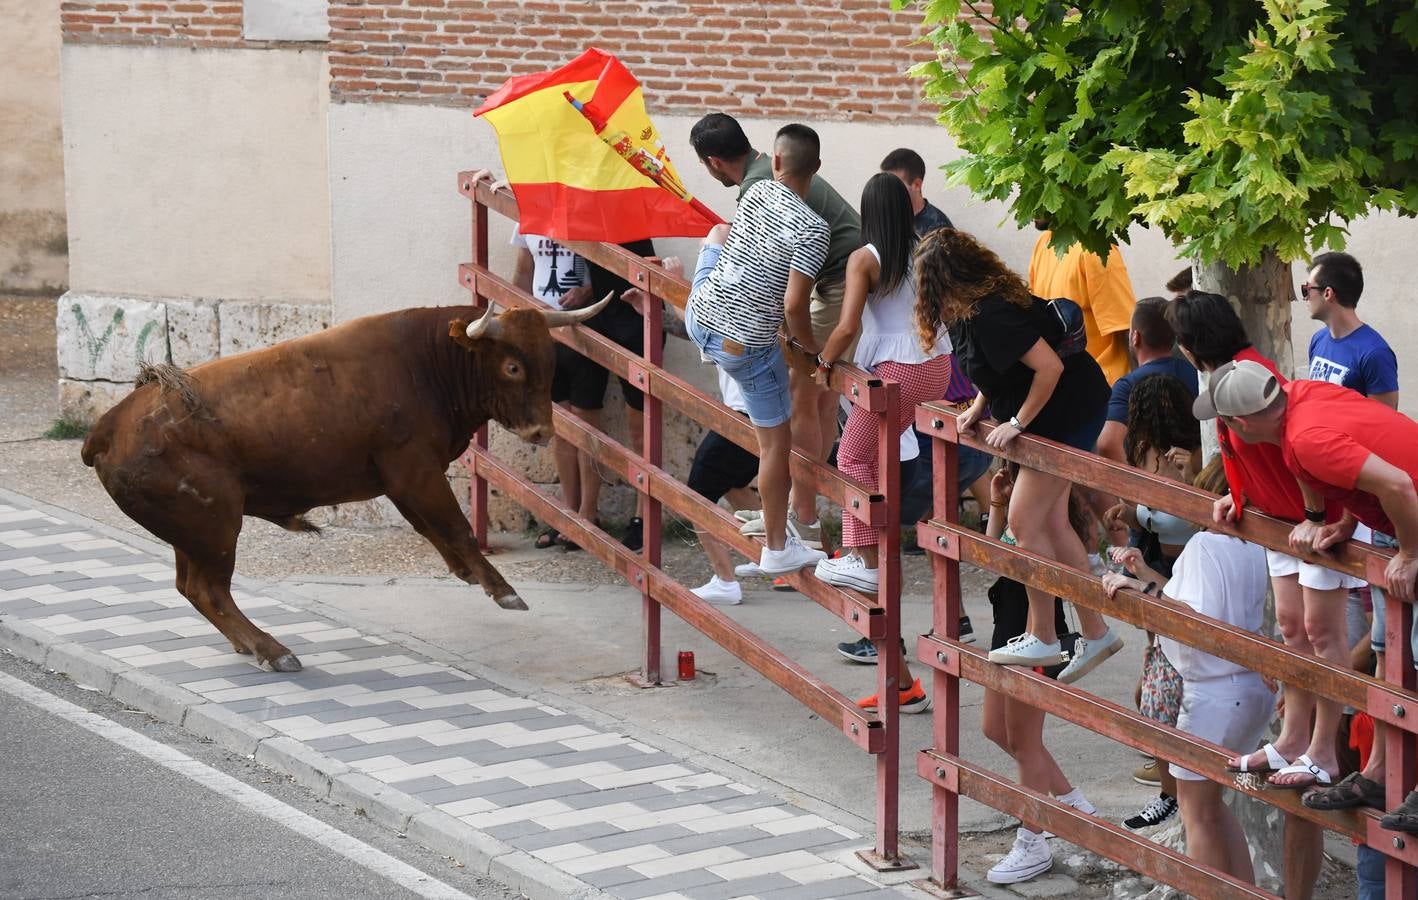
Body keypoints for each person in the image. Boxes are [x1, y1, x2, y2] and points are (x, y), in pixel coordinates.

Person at [1166, 291, 1354, 899]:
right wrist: (1238, 497)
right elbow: (1241, 451)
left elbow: (1297, 448)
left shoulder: (1254, 377)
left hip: (1309, 524)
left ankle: (1323, 745)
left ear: (1194, 346)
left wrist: (1315, 512)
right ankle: (1296, 738)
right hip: (1275, 521)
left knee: (1322, 636)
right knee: (1294, 634)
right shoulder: (1227, 379)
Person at [1197, 359, 1418, 832]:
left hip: (1410, 519)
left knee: (1416, 654)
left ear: (1241, 422)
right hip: (1395, 520)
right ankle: (1380, 774)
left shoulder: (1304, 437)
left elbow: (1398, 483)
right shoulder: (1298, 401)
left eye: (1226, 422)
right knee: (1390, 653)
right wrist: (1328, 518)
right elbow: (1342, 462)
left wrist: (1411, 551)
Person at [914, 228, 1121, 681]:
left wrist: (1018, 423)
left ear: (944, 282)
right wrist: (978, 409)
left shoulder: (992, 313)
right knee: (1050, 522)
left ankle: (1045, 636)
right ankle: (1096, 631)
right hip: (1055, 411)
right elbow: (996, 371)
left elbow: (1050, 368)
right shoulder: (970, 313)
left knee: (1023, 522)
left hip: (1067, 414)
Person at [810, 173, 952, 712]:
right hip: (937, 367)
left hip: (897, 371)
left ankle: (861, 557)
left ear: (868, 211)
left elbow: (846, 327)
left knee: (851, 454)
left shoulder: (865, 258)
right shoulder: (925, 250)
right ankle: (871, 559)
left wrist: (825, 365)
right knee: (882, 454)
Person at [690, 113, 861, 550]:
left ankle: (799, 519)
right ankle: (796, 514)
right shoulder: (770, 174)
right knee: (818, 399)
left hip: (837, 280)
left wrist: (802, 345)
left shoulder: (758, 188)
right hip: (839, 277)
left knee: (806, 394)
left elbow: (777, 288)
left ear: (713, 162)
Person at [1102, 480, 1276, 887]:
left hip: (1212, 692)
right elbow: (1201, 608)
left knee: (1197, 813)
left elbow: (1193, 620)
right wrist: (1143, 573)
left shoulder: (1203, 546)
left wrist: (1139, 588)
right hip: (1246, 689)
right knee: (1213, 807)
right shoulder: (1253, 546)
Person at [674, 124, 829, 577]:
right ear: (815, 170)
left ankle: (773, 530)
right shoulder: (815, 230)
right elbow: (794, 304)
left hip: (699, 314)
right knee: (775, 446)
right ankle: (778, 547)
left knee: (718, 233)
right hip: (743, 346)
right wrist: (809, 351)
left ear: (774, 162)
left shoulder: (756, 192)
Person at [981, 465, 1099, 885]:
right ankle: (1073, 805)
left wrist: (1038, 638)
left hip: (1037, 637)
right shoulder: (1020, 509)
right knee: (995, 729)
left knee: (1025, 743)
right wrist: (997, 500)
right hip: (1005, 631)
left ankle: (1033, 840)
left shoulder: (1051, 517)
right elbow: (992, 555)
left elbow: (1050, 581)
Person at [685, 366, 761, 606]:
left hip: (742, 413)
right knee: (733, 484)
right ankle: (771, 556)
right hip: (766, 415)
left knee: (695, 496)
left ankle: (724, 580)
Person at [1028, 222, 1138, 384]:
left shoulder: (1093, 249)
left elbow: (1127, 329)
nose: (1030, 210)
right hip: (1063, 388)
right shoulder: (1043, 242)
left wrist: (1137, 395)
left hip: (1103, 388)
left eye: (1037, 196)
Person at [1095, 297, 1199, 466]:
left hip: (1152, 479)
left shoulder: (1127, 385)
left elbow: (1108, 443)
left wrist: (1135, 482)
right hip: (1195, 478)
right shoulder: (1196, 374)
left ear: (1135, 337)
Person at [1302, 251, 1398, 408]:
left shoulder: (1375, 354)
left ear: (1328, 293)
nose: (1305, 298)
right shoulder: (1317, 340)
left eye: (1307, 290)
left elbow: (1385, 424)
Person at [879, 147, 953, 235]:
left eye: (894, 185)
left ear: (917, 185)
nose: (886, 190)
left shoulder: (938, 231)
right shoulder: (887, 217)